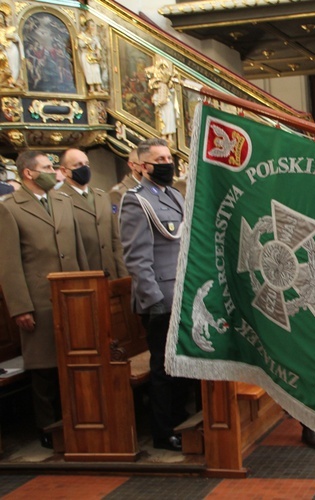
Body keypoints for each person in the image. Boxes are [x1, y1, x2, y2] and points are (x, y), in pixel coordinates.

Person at [0, 150, 88, 448]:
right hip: (39, 299)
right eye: (48, 167)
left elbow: (77, 249)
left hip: (73, 295)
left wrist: (88, 286)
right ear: (29, 173)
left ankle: (80, 420)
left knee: (77, 361)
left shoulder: (62, 200)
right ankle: (48, 427)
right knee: (45, 368)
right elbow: (9, 264)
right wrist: (20, 307)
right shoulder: (11, 208)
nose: (55, 172)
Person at [120, 137, 190, 452]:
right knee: (162, 368)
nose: (167, 163)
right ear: (144, 166)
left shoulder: (173, 194)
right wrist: (155, 301)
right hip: (160, 298)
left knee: (181, 365)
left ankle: (181, 419)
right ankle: (163, 433)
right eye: (159, 159)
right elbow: (137, 258)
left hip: (180, 293)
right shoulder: (136, 200)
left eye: (168, 157)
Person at [58, 148, 127, 278]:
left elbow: (115, 239)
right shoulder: (58, 198)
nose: (84, 168)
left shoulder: (102, 196)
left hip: (110, 275)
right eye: (77, 165)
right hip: (85, 275)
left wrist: (123, 275)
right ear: (64, 171)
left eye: (86, 164)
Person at [109, 148, 142, 215]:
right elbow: (117, 222)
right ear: (132, 165)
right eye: (144, 164)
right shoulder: (119, 193)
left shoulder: (156, 187)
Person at [78, 19, 104, 94]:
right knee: (89, 71)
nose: (93, 27)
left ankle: (98, 87)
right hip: (86, 55)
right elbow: (81, 44)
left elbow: (98, 46)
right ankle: (91, 88)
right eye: (92, 25)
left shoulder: (94, 36)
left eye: (94, 26)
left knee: (96, 71)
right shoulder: (82, 36)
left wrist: (98, 53)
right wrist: (88, 42)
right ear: (88, 26)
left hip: (93, 55)